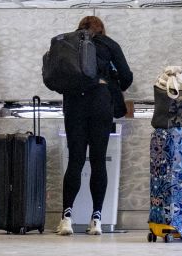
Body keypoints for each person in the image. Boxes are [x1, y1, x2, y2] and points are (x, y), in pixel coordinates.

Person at [56, 15, 133, 237]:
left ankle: (66, 218)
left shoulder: (68, 44)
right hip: (101, 105)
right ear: (102, 30)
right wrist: (111, 78)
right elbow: (126, 78)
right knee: (98, 161)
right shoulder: (109, 44)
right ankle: (96, 219)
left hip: (74, 105)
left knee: (76, 160)